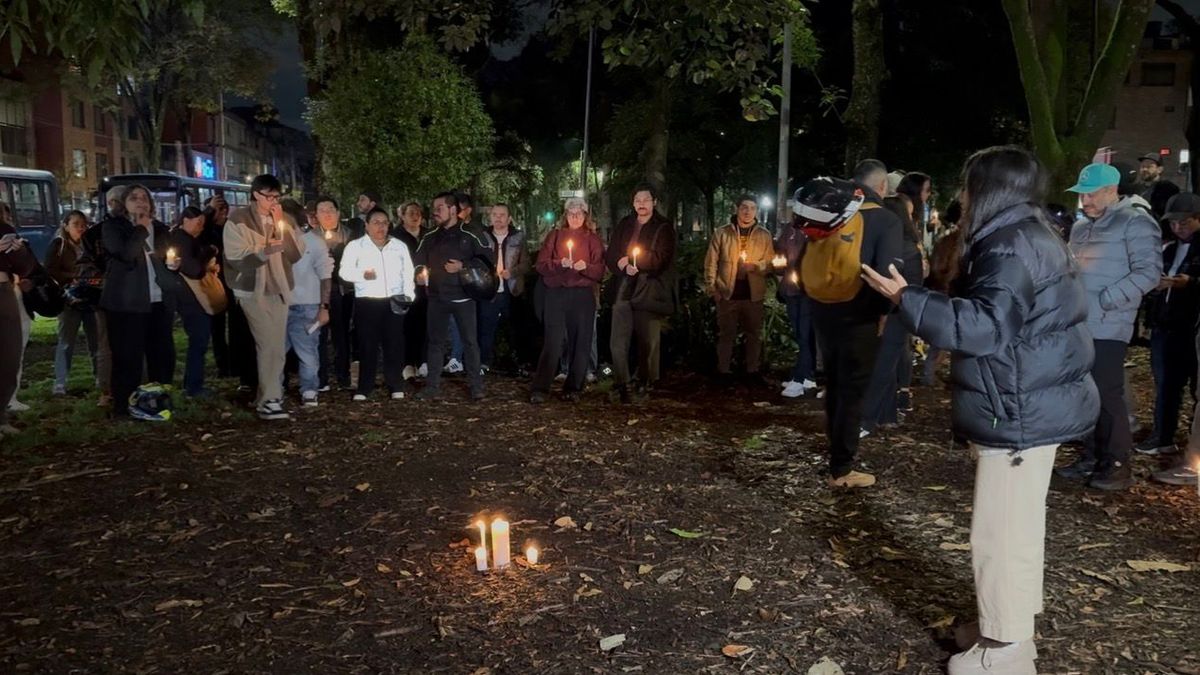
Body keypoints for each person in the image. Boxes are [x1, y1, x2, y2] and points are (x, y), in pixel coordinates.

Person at [862, 145, 1099, 675]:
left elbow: (985, 328)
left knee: (1000, 532)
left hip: (1018, 407)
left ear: (988, 189)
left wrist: (909, 301)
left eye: (968, 185)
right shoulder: (1029, 234)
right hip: (1027, 399)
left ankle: (1007, 652)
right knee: (1015, 526)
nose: (961, 196)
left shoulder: (1009, 246)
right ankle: (1004, 627)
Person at [794, 160, 902, 488]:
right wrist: (884, 312)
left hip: (824, 311)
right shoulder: (885, 220)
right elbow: (888, 275)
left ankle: (835, 453)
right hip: (861, 317)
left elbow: (802, 262)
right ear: (882, 186)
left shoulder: (834, 209)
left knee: (835, 383)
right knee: (853, 391)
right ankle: (842, 469)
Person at [1055, 163, 1161, 491]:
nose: (1084, 201)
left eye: (1090, 194)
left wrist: (1105, 300)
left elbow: (1149, 273)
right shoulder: (1082, 228)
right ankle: (1092, 456)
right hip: (1078, 324)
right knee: (1084, 394)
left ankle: (1117, 464)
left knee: (1107, 395)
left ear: (1111, 191)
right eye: (1081, 194)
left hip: (1108, 326)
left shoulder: (1136, 223)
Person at [223, 174, 306, 420]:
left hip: (278, 289)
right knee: (268, 342)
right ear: (256, 194)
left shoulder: (284, 219)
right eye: (268, 196)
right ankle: (271, 398)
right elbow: (235, 258)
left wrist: (283, 226)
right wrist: (263, 252)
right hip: (252, 290)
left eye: (276, 197)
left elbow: (295, 254)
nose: (273, 201)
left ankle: (266, 396)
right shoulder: (238, 219)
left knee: (276, 345)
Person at [98, 184, 178, 418]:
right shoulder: (113, 227)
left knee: (161, 355)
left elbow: (167, 259)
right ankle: (124, 406)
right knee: (127, 358)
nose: (141, 201)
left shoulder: (162, 229)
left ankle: (157, 401)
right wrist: (141, 229)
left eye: (145, 197)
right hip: (126, 304)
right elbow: (125, 254)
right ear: (124, 203)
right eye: (134, 198)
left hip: (159, 302)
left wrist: (173, 265)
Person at [413, 191, 493, 400]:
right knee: (435, 342)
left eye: (439, 208)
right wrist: (419, 275)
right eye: (434, 209)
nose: (435, 213)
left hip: (464, 298)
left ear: (453, 210)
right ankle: (432, 386)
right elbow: (418, 261)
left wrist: (463, 266)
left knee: (470, 342)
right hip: (437, 298)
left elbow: (487, 260)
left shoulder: (471, 233)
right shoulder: (430, 236)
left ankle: (476, 387)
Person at [1137, 192, 1200, 455]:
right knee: (1166, 385)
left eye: (1184, 222)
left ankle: (1192, 442)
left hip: (1192, 328)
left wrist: (1190, 283)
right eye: (1173, 223)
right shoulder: (1170, 249)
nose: (1178, 227)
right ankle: (1162, 436)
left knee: (1196, 387)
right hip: (1165, 327)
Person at [860, 193, 925, 435]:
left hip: (892, 312)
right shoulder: (908, 247)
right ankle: (885, 415)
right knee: (887, 365)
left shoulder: (899, 247)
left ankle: (866, 420)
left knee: (882, 365)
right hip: (900, 311)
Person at [606, 182, 677, 403]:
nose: (641, 204)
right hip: (623, 288)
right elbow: (611, 254)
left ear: (654, 202)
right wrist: (621, 263)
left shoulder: (663, 227)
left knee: (647, 340)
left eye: (646, 200)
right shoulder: (625, 225)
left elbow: (662, 258)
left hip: (647, 288)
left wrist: (639, 262)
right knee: (618, 339)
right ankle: (622, 381)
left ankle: (644, 381)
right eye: (638, 200)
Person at [530, 198, 605, 403]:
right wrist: (559, 263)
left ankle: (573, 387)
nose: (575, 216)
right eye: (571, 212)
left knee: (581, 342)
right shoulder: (554, 237)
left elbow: (600, 270)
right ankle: (541, 387)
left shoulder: (593, 239)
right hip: (556, 294)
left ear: (586, 215)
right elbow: (541, 265)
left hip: (582, 296)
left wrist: (585, 268)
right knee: (553, 341)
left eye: (579, 212)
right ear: (565, 215)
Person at [704, 194, 773, 384]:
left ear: (756, 211)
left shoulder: (763, 235)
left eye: (752, 208)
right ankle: (723, 372)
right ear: (737, 209)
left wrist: (756, 267)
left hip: (753, 295)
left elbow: (771, 263)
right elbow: (711, 263)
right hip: (727, 294)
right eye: (744, 207)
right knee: (726, 334)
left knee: (753, 334)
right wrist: (713, 289)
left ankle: (752, 371)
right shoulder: (722, 233)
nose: (747, 211)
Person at [282, 199, 332, 407]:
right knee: (275, 353)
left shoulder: (314, 242)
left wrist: (324, 306)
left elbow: (325, 275)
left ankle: (309, 389)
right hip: (279, 304)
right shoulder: (273, 241)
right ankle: (274, 390)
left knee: (307, 352)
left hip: (307, 304)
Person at [45, 210, 100, 396]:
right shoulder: (59, 245)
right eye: (76, 224)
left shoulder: (91, 245)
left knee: (96, 341)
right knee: (66, 342)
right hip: (69, 299)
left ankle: (100, 378)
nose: (81, 228)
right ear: (66, 226)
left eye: (83, 224)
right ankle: (60, 382)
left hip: (91, 298)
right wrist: (74, 278)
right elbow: (50, 271)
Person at [166, 206, 219, 397]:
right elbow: (194, 269)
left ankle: (193, 383)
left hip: (189, 297)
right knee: (199, 339)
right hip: (190, 298)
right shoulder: (182, 240)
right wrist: (208, 254)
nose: (201, 228)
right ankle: (193, 386)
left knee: (199, 340)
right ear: (185, 220)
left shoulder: (184, 239)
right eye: (198, 223)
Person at [314, 196, 360, 390]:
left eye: (330, 209)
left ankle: (343, 375)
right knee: (319, 335)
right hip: (317, 291)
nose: (327, 214)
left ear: (338, 213)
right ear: (316, 216)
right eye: (322, 210)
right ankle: (321, 377)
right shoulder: (310, 238)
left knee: (341, 334)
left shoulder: (351, 236)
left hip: (343, 290)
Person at [0, 201, 38, 438]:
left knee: (9, 355)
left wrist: (18, 251)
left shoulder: (4, 228)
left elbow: (25, 267)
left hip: (4, 291)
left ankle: (1, 414)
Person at [480, 202, 530, 372]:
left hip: (512, 289)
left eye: (502, 215)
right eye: (495, 215)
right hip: (490, 290)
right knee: (486, 328)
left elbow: (526, 264)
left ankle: (519, 362)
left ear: (509, 218)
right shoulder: (483, 236)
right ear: (490, 217)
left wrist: (513, 272)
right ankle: (484, 362)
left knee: (516, 329)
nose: (498, 218)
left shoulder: (518, 237)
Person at [775, 203, 817, 399]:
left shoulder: (815, 229)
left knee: (805, 332)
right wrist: (779, 270)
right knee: (800, 333)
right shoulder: (789, 229)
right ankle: (807, 375)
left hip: (809, 291)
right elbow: (780, 253)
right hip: (791, 290)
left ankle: (800, 379)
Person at [74, 202, 114, 406]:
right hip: (105, 297)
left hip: (128, 296)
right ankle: (106, 390)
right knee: (106, 344)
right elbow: (84, 268)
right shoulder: (93, 236)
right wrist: (105, 280)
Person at [395, 201, 428, 379]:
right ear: (403, 216)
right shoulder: (396, 237)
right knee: (407, 325)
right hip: (404, 287)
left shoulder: (428, 235)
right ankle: (407, 362)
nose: (415, 216)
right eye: (411, 213)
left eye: (418, 213)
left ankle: (423, 360)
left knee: (425, 324)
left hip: (427, 289)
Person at [1137, 153, 1181, 222]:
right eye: (1142, 166)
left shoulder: (1168, 189)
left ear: (1159, 170)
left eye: (1149, 166)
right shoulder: (1136, 188)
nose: (1144, 169)